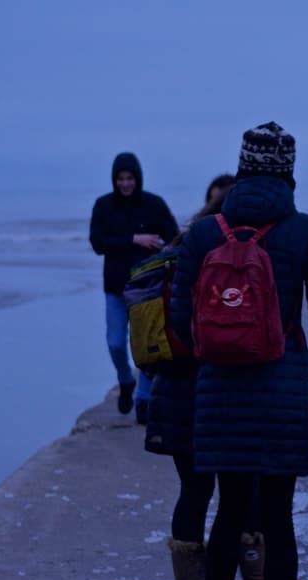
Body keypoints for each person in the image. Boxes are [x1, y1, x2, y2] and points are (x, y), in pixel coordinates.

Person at [170, 122, 308, 580]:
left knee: (225, 516)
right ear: (289, 173)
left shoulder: (201, 235)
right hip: (281, 394)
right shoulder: (306, 233)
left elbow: (179, 323)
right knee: (277, 522)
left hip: (218, 396)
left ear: (244, 168)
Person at [148, 173, 306, 580]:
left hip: (172, 391)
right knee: (246, 492)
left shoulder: (179, 249)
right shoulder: (240, 251)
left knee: (193, 494)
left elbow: (171, 325)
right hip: (216, 390)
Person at [88, 152, 180, 422]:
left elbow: (173, 237)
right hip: (115, 288)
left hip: (148, 290)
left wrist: (162, 250)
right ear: (114, 180)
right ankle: (126, 381)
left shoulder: (154, 204)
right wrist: (134, 239)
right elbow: (97, 243)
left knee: (147, 347)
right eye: (120, 179)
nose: (125, 184)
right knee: (116, 344)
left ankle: (144, 399)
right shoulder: (103, 206)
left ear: (137, 178)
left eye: (129, 178)